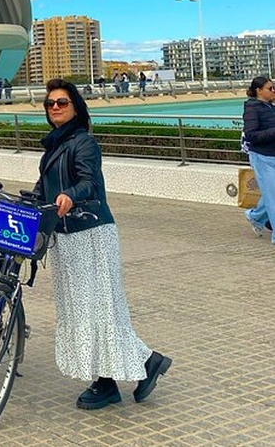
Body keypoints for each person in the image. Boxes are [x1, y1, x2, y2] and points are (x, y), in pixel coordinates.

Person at [34, 78, 171, 410]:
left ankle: (141, 364)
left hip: (90, 233)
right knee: (79, 311)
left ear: (75, 107)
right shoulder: (54, 144)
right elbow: (45, 185)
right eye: (50, 103)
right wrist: (31, 201)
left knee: (100, 310)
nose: (55, 107)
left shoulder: (83, 142)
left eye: (62, 102)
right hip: (65, 236)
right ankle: (111, 378)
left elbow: (88, 182)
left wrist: (70, 195)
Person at [242, 76, 275, 241]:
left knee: (271, 195)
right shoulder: (252, 109)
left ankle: (255, 216)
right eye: (270, 88)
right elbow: (251, 135)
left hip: (274, 155)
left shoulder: (271, 107)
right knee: (274, 197)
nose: (274, 91)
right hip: (263, 158)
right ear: (259, 91)